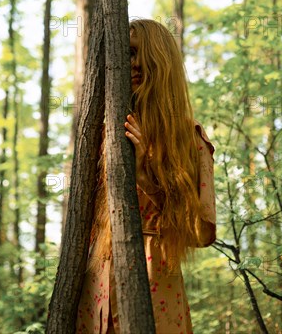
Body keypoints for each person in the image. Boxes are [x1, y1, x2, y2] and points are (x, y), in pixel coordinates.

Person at [76, 19, 216, 334]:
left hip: (154, 285)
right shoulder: (102, 132)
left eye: (141, 53)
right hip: (94, 289)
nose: (133, 63)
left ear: (161, 60)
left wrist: (143, 175)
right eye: (126, 54)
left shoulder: (188, 137)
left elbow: (201, 232)